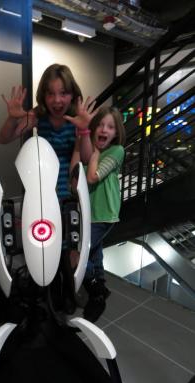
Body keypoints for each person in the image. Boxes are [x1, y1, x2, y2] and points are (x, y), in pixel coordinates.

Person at [0, 64, 96, 314]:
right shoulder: (36, 116)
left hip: (65, 197)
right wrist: (13, 117)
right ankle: (43, 301)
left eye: (63, 93)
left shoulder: (76, 119)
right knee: (40, 247)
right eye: (51, 93)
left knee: (67, 251)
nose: (57, 99)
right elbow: (5, 137)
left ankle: (66, 297)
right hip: (38, 195)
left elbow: (85, 157)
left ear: (71, 94)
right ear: (43, 95)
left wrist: (85, 129)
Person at [70, 105, 126, 322]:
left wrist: (93, 152)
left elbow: (92, 177)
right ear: (92, 129)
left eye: (110, 127)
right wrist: (79, 141)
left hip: (104, 214)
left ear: (116, 132)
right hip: (88, 213)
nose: (104, 129)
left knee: (77, 254)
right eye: (100, 125)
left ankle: (95, 293)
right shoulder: (88, 150)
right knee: (94, 254)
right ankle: (100, 289)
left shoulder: (116, 151)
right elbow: (74, 181)